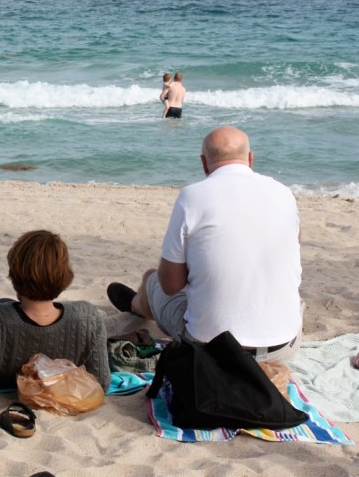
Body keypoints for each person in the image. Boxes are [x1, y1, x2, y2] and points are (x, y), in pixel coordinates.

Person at [107, 126, 302, 362]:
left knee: (152, 280)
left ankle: (136, 306)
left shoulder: (192, 196)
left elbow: (171, 285)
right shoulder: (283, 193)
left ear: (203, 163)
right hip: (283, 348)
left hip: (212, 351)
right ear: (250, 159)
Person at [0, 230, 111, 397]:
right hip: (6, 319)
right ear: (65, 275)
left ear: (14, 277)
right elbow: (101, 383)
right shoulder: (88, 318)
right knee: (2, 305)